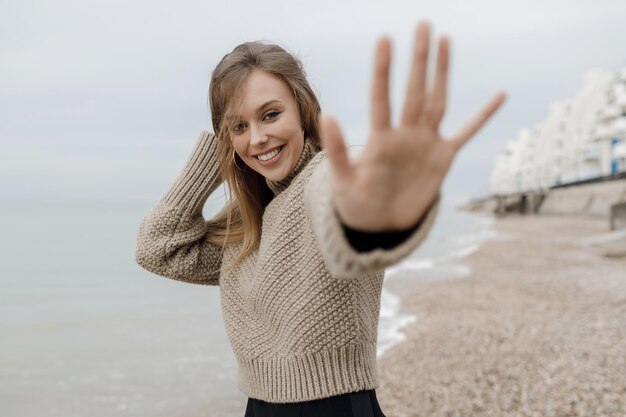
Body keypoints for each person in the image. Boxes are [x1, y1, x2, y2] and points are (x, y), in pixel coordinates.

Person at [135, 21, 505, 417]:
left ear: (303, 110)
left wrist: (383, 202)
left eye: (271, 114)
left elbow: (348, 218)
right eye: (239, 126)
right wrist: (216, 154)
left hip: (333, 407)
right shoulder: (250, 219)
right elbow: (158, 249)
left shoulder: (326, 178)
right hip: (259, 406)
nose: (257, 137)